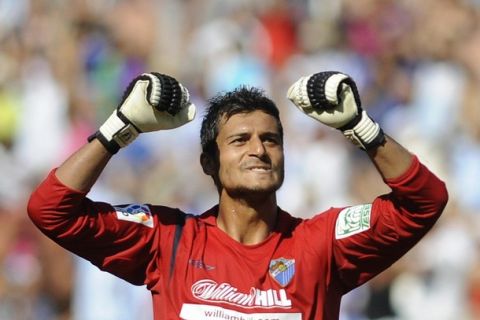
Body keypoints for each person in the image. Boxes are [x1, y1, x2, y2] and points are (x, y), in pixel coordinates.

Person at [27, 71, 448, 320]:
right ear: (209, 163)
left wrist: (362, 127)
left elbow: (425, 202)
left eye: (270, 139)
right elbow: (51, 210)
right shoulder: (168, 238)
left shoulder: (320, 243)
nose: (258, 150)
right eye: (240, 140)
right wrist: (120, 128)